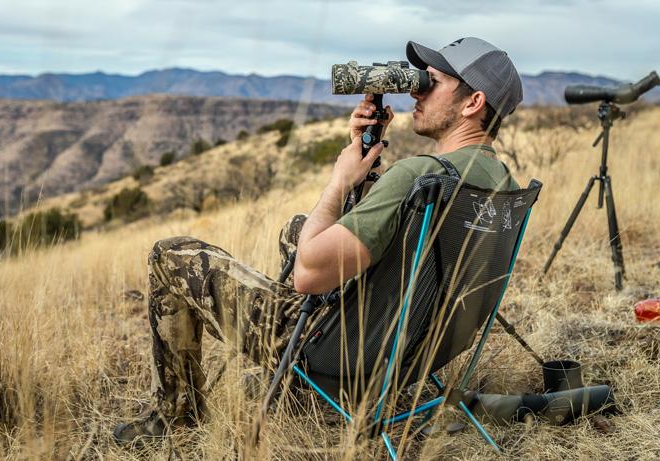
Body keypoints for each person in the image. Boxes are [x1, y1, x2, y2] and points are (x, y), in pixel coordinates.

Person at [113, 36, 523, 444]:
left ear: (472, 103)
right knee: (299, 227)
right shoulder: (502, 184)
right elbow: (399, 241)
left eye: (431, 81)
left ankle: (176, 418)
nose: (417, 89)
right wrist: (362, 152)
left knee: (170, 255)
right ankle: (290, 388)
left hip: (342, 352)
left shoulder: (418, 175)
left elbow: (308, 274)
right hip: (416, 348)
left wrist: (340, 180)